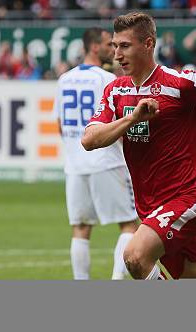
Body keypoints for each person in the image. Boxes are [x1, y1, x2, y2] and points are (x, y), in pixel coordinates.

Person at [82, 12, 196, 280]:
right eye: (114, 46)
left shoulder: (180, 82)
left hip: (189, 198)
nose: (117, 54)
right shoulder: (115, 91)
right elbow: (89, 140)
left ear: (148, 44)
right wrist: (133, 118)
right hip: (151, 208)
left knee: (134, 257)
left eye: (125, 46)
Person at [54, 27, 140, 280]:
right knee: (128, 225)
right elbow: (120, 120)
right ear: (94, 47)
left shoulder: (64, 79)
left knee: (80, 229)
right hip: (107, 161)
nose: (113, 50)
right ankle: (116, 280)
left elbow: (60, 125)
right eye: (108, 44)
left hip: (74, 165)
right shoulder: (106, 79)